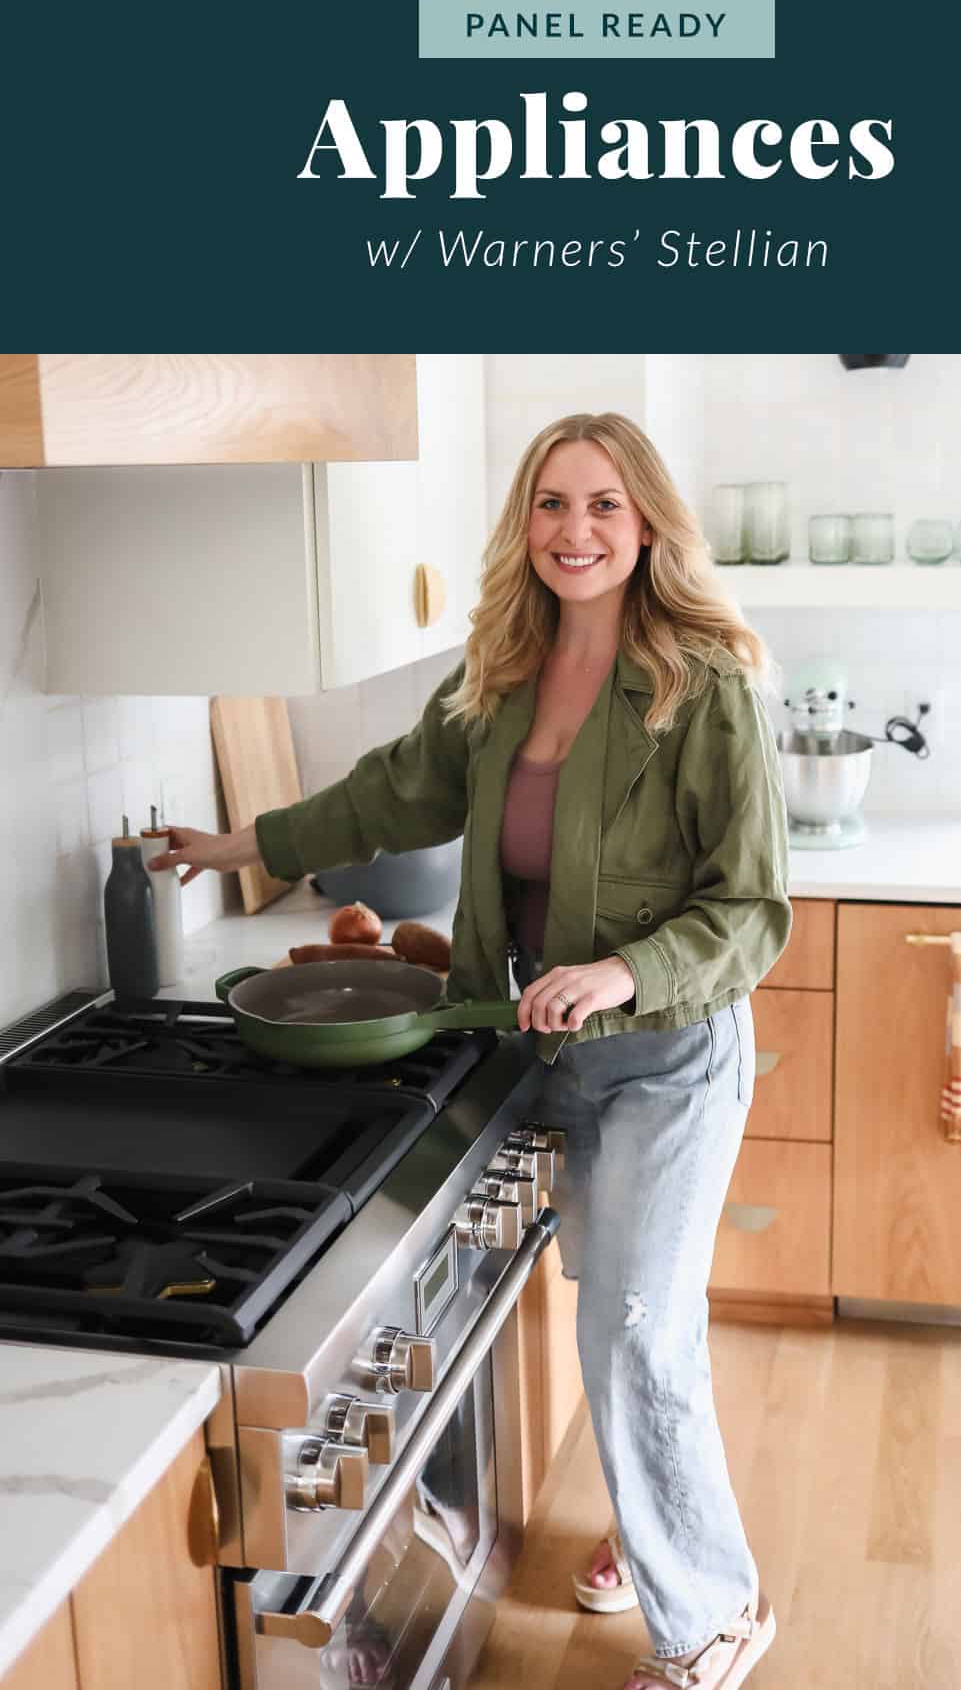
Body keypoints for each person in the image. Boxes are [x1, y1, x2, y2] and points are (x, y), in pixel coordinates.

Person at [154, 411, 791, 1689]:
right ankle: (657, 1523)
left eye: (605, 505)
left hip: (667, 1052)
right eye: (553, 505)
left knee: (632, 1323)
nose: (577, 531)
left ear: (649, 521)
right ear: (526, 526)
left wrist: (621, 967)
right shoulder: (503, 672)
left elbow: (752, 909)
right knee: (622, 1315)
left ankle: (715, 1613)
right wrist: (250, 845)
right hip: (538, 1045)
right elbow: (394, 789)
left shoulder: (706, 682)